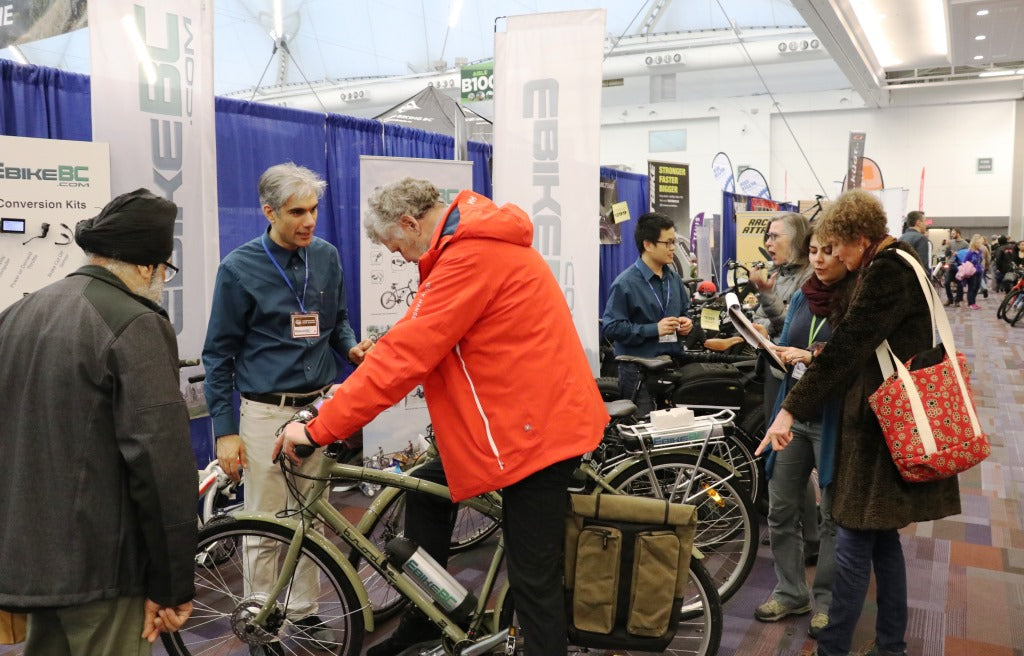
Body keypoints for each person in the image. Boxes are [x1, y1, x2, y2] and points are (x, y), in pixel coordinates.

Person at [274, 178, 608, 656]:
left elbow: (406, 356)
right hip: (526, 420)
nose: (401, 258)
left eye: (396, 248)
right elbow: (416, 336)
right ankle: (428, 616)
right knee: (424, 495)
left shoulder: (469, 255)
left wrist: (319, 430)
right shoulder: (471, 242)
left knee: (534, 582)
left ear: (411, 224)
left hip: (534, 436)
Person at [758, 189, 962, 656]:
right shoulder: (894, 262)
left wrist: (790, 409)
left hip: (878, 431)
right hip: (885, 425)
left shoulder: (887, 271)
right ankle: (890, 645)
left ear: (861, 238)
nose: (832, 257)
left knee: (851, 541)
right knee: (882, 543)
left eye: (836, 248)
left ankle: (833, 650)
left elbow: (848, 349)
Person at [0, 189, 197, 653]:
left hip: (32, 562)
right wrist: (173, 586)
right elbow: (161, 466)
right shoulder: (135, 323)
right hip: (104, 569)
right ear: (149, 266)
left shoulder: (16, 315)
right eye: (165, 270)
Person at [202, 163, 373, 654]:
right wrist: (224, 429)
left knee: (311, 517)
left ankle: (304, 610)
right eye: (298, 211)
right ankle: (259, 613)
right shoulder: (239, 268)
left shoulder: (326, 256)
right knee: (265, 520)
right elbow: (219, 354)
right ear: (269, 211)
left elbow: (336, 321)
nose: (310, 220)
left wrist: (350, 348)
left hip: (320, 408)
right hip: (265, 412)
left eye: (314, 209)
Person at [755, 228, 852, 640]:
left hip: (832, 420)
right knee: (781, 509)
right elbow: (786, 343)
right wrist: (773, 346)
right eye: (813, 251)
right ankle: (791, 591)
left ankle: (826, 601)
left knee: (831, 517)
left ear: (845, 255)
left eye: (828, 252)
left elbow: (851, 357)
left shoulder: (854, 301)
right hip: (793, 416)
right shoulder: (801, 295)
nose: (818, 259)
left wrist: (812, 356)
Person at [602, 211, 693, 415]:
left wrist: (687, 322)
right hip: (638, 373)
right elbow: (611, 327)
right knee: (642, 438)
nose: (673, 248)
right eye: (668, 243)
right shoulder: (625, 284)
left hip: (670, 368)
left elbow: (685, 310)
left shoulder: (674, 279)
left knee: (668, 439)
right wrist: (654, 329)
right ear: (648, 244)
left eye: (674, 242)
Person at [751, 212, 813, 338]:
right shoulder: (777, 275)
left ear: (796, 239)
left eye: (774, 236)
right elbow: (757, 319)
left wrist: (770, 326)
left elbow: (797, 328)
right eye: (768, 236)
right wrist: (774, 326)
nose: (767, 243)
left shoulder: (812, 278)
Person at [954, 235, 985, 309]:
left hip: (979, 271)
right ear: (975, 242)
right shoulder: (970, 252)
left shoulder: (979, 251)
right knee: (972, 287)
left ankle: (973, 302)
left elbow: (980, 261)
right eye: (980, 242)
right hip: (972, 273)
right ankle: (971, 303)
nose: (981, 244)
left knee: (977, 287)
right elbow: (964, 261)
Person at [943, 228, 969, 307]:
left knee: (959, 283)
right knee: (946, 282)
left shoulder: (965, 244)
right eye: (952, 234)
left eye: (953, 234)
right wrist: (947, 247)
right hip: (951, 265)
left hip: (960, 265)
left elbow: (967, 255)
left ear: (958, 234)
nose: (952, 235)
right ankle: (950, 299)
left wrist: (959, 254)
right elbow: (946, 254)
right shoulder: (950, 242)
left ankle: (957, 300)